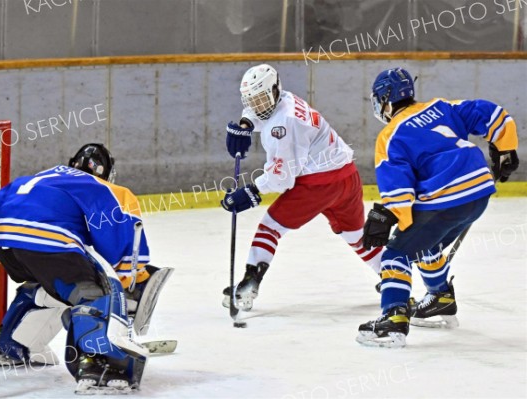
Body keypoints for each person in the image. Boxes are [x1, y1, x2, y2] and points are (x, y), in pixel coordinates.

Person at [0, 143, 171, 393]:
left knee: (54, 284)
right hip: (49, 243)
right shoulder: (98, 185)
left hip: (6, 246)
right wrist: (130, 280)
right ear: (105, 172)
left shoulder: (37, 178)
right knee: (96, 291)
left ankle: (14, 344)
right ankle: (102, 360)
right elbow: (119, 230)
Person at [357, 68, 519, 348]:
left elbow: (397, 184)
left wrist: (392, 215)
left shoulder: (390, 134)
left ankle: (393, 319)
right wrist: (506, 148)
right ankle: (441, 298)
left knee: (396, 253)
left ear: (385, 99)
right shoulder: (441, 106)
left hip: (447, 198)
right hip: (478, 192)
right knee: (424, 242)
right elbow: (491, 113)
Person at [220, 63, 384, 311]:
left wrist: (252, 192)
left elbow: (283, 177)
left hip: (318, 184)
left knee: (270, 227)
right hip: (347, 178)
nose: (257, 106)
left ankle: (248, 284)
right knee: (355, 235)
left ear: (275, 90)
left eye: (262, 99)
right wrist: (245, 124)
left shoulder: (283, 126)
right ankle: (393, 277)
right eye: (252, 100)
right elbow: (261, 113)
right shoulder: (285, 99)